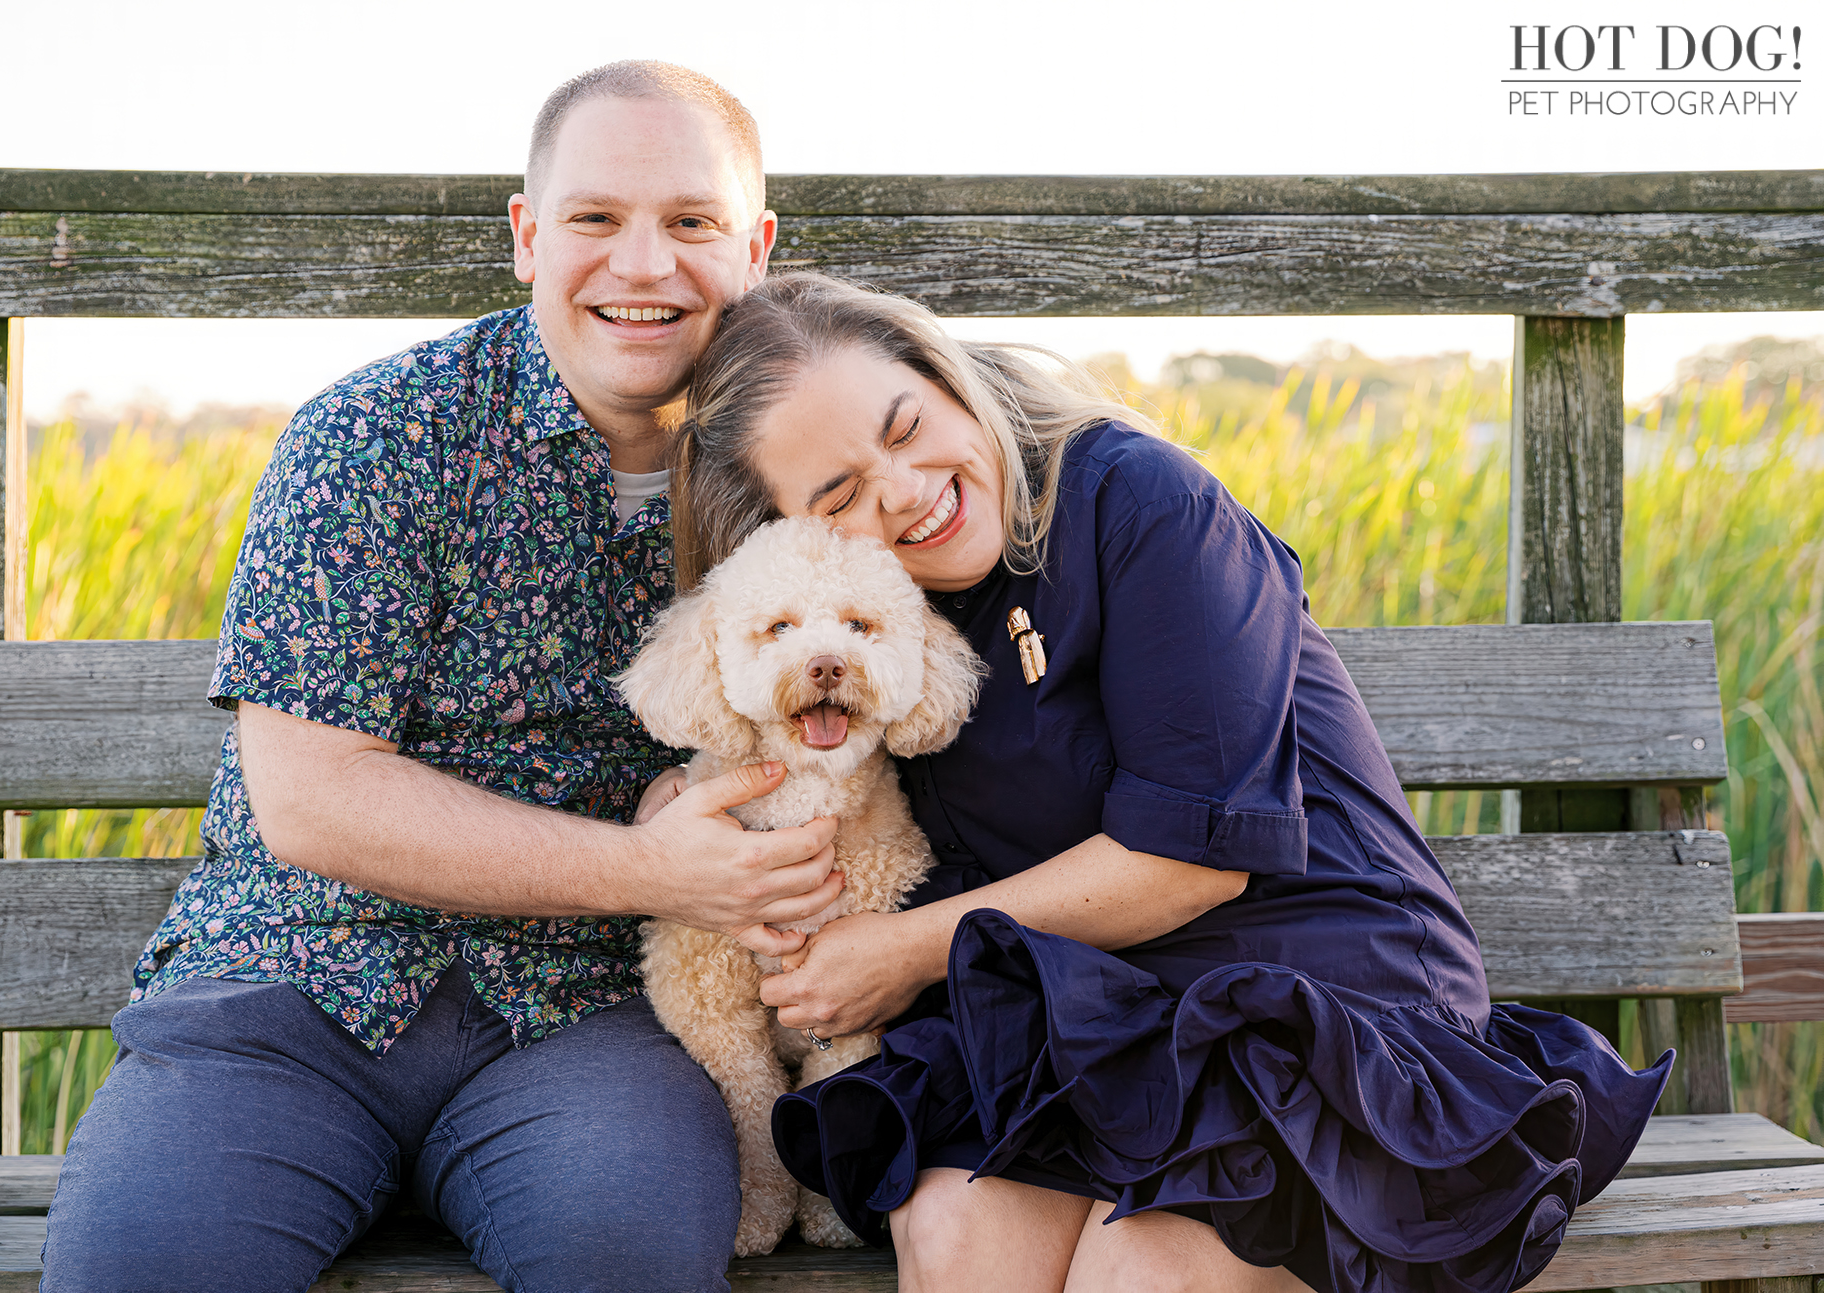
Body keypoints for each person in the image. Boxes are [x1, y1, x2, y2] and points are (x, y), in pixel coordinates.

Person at [668, 271, 1672, 1293]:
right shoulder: (886, 621)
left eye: (905, 424)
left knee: (1141, 1271)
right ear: (790, 534)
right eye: (838, 497)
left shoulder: (1136, 499)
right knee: (953, 1230)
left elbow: (1190, 862)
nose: (904, 487)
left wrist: (899, 950)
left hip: (1308, 997)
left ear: (944, 375)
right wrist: (682, 811)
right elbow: (780, 764)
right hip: (1086, 1013)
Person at [39, 62, 846, 1293]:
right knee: (143, 1271)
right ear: (527, 238)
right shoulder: (378, 436)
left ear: (755, 246)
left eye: (690, 222)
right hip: (296, 988)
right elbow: (312, 801)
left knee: (625, 1257)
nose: (642, 266)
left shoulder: (794, 479)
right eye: (593, 219)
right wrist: (645, 866)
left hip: (591, 1019)